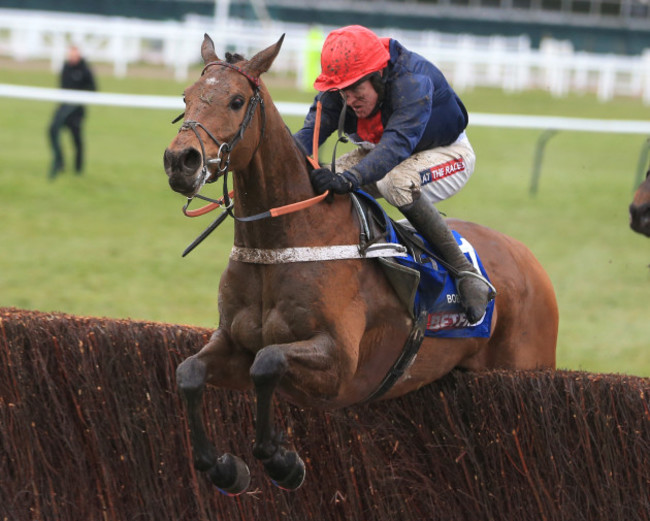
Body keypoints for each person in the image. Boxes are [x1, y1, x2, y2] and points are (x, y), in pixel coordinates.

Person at [294, 25, 493, 324]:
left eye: (356, 90)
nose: (349, 100)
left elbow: (395, 147)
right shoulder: (341, 90)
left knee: (395, 182)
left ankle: (465, 272)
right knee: (319, 180)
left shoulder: (412, 82)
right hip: (382, 150)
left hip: (448, 154)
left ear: (378, 76)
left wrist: (349, 180)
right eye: (342, 92)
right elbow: (306, 138)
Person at [48, 45, 96, 179]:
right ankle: (59, 161)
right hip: (63, 108)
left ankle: (78, 169)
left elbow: (93, 89)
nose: (72, 56)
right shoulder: (66, 67)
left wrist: (79, 98)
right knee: (52, 131)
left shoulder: (85, 69)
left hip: (77, 110)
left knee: (76, 140)